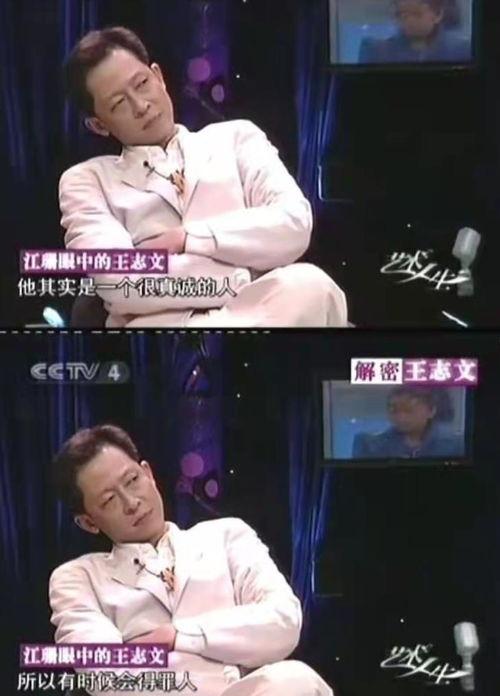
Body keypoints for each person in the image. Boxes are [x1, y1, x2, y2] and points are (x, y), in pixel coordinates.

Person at [59, 27, 347, 328]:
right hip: (165, 332)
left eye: (142, 84)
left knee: (311, 286)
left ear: (158, 76)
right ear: (99, 125)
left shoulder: (236, 137)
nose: (141, 106)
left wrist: (187, 238)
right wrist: (241, 276)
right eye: (119, 103)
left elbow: (294, 223)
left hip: (262, 308)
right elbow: (120, 282)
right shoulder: (87, 181)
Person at [49, 425, 334, 696]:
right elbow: (106, 672)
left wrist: (178, 636)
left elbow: (283, 622)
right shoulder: (79, 578)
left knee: (297, 680)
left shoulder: (226, 535)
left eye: (133, 480)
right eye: (109, 500)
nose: (132, 503)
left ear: (148, 473)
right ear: (88, 522)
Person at [352, 386, 464, 459]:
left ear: (431, 411)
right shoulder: (370, 445)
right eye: (394, 411)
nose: (401, 417)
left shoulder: (456, 445)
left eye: (408, 411)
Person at [358, 0, 471, 64]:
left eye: (416, 14)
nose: (409, 21)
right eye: (402, 15)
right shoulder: (377, 52)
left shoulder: (463, 50)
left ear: (438, 14)